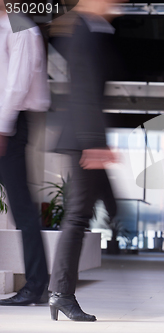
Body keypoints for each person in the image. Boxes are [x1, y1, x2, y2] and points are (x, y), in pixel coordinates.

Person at [47, 0, 119, 322]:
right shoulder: (85, 30)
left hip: (84, 137)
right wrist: (93, 143)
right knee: (77, 218)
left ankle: (60, 293)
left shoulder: (91, 30)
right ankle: (61, 293)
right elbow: (85, 91)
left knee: (101, 210)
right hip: (83, 139)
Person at [0, 3, 50, 306]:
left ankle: (35, 286)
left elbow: (16, 85)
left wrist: (3, 129)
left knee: (22, 209)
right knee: (21, 207)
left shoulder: (21, 26)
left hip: (11, 125)